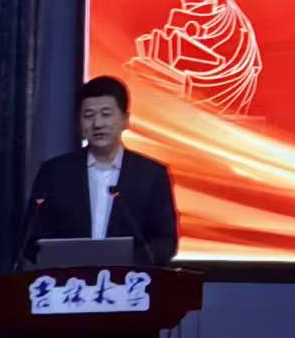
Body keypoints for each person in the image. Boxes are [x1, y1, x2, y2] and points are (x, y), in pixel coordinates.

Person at [23, 75, 179, 265]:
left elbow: (165, 242)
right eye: (88, 115)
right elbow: (31, 238)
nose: (97, 124)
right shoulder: (54, 173)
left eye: (106, 114)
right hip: (70, 279)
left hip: (129, 279)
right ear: (79, 123)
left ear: (125, 120)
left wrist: (125, 261)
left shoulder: (151, 175)